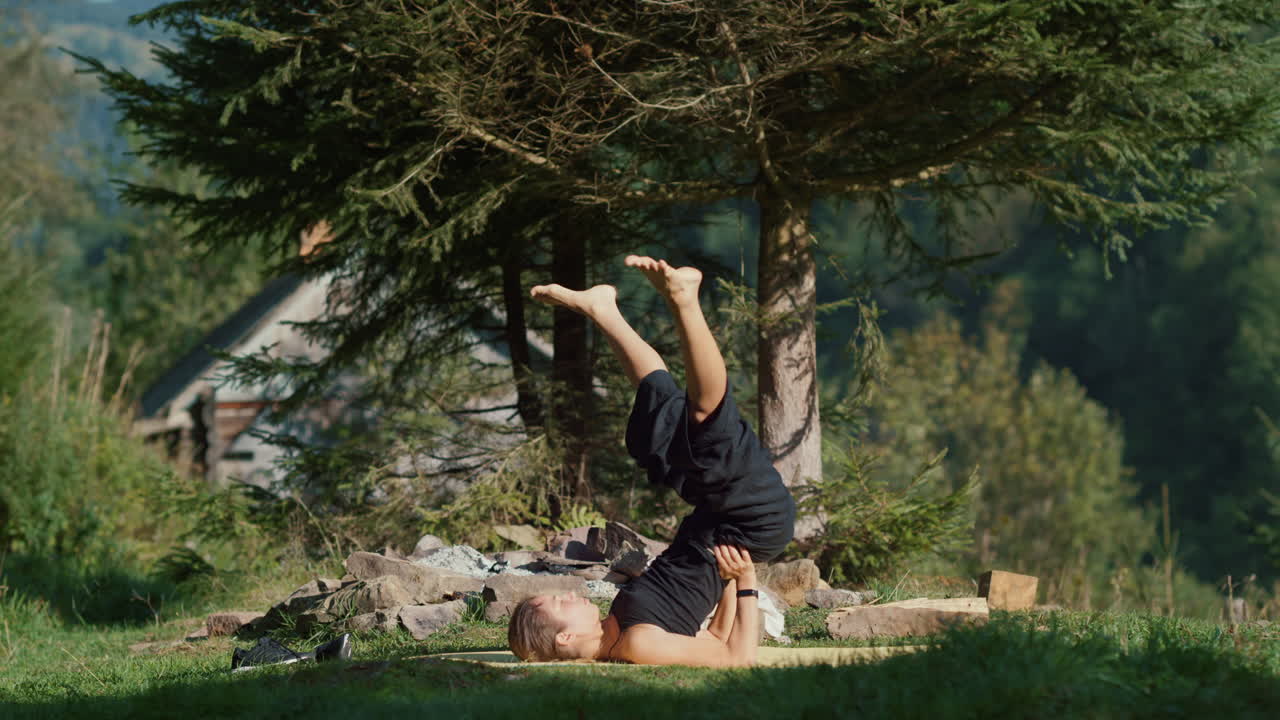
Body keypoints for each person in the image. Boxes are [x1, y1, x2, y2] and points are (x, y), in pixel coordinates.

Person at [508, 255, 796, 667]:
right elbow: (736, 657)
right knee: (705, 424)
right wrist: (746, 582)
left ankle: (602, 309)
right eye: (560, 601)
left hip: (716, 519)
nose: (569, 593)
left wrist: (729, 586)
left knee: (655, 434)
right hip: (751, 522)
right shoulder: (637, 645)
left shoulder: (617, 626)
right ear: (566, 636)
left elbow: (712, 636)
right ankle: (684, 301)